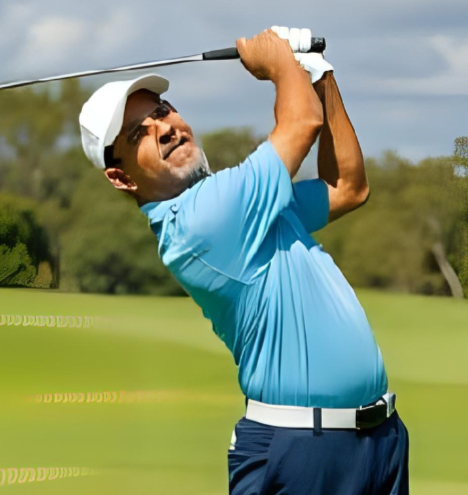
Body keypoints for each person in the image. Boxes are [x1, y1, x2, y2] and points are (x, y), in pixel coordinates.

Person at [78, 26, 409, 495]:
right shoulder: (200, 220)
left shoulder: (245, 210)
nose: (165, 127)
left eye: (162, 110)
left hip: (379, 442)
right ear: (121, 177)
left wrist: (321, 76)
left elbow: (348, 187)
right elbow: (300, 124)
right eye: (139, 134)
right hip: (301, 450)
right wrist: (278, 61)